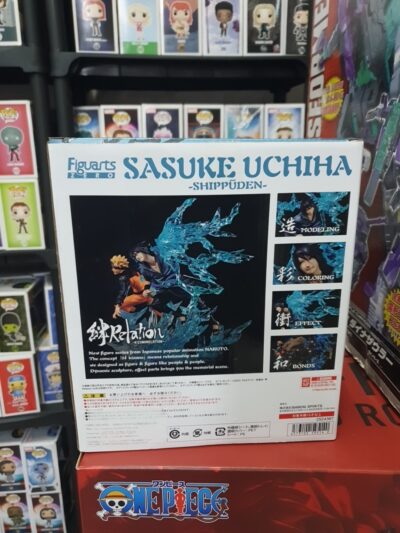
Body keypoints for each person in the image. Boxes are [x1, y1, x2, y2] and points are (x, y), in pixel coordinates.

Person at [110, 254, 153, 319]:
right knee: (125, 305)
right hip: (148, 291)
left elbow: (123, 292)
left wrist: (117, 306)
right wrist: (147, 288)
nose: (112, 269)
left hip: (144, 295)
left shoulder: (124, 278)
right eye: (112, 267)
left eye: (115, 268)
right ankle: (147, 304)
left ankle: (146, 307)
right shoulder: (134, 271)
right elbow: (144, 280)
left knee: (122, 306)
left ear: (121, 269)